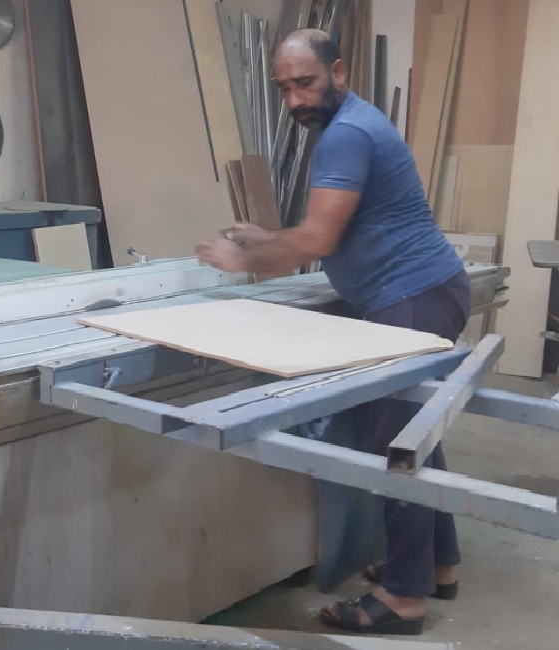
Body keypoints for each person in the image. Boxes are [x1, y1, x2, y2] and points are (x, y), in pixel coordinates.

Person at [195, 28, 470, 636]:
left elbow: (316, 240)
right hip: (420, 291)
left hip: (411, 296)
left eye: (306, 83)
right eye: (285, 88)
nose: (295, 99)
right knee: (418, 435)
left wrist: (245, 257)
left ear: (338, 72)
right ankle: (437, 566)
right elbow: (330, 228)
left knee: (397, 448)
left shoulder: (346, 134)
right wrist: (265, 238)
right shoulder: (351, 124)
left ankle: (403, 600)